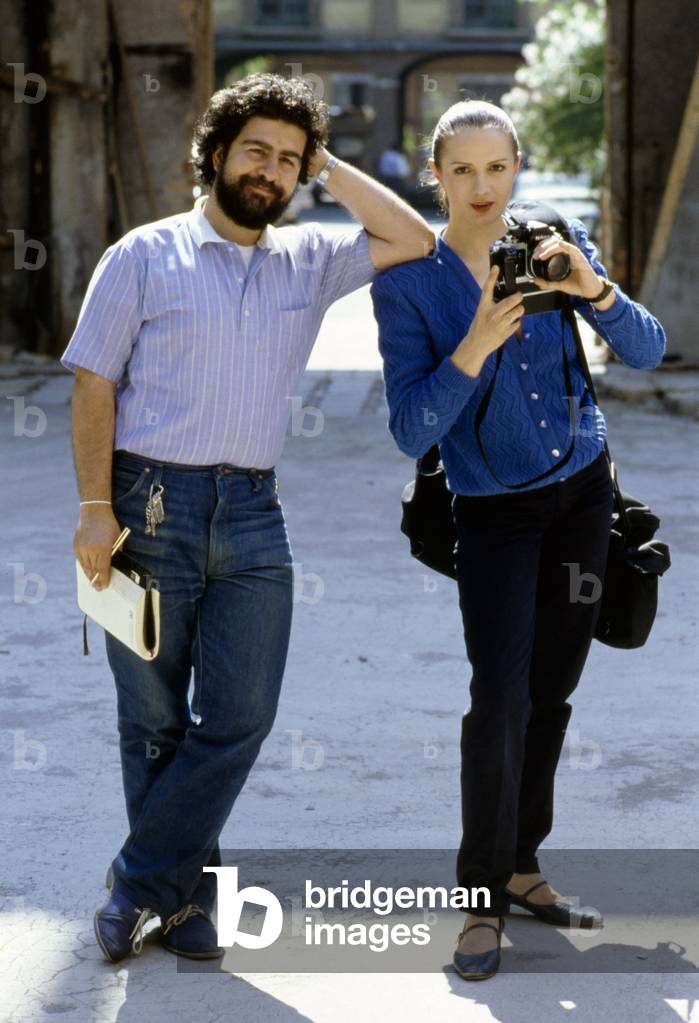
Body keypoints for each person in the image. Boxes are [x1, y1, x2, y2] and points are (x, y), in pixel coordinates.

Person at [62, 72, 435, 965]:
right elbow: (92, 383)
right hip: (147, 505)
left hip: (255, 516)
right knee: (152, 720)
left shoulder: (309, 260)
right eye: (255, 150)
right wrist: (92, 507)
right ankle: (188, 904)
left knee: (240, 716)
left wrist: (329, 163)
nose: (269, 171)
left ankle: (138, 882)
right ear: (217, 153)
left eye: (288, 159)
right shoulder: (143, 254)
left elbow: (414, 235)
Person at [370, 100, 666, 981]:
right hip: (491, 511)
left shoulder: (552, 240)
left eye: (495, 168)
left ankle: (523, 864)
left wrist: (592, 289)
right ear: (435, 177)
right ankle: (478, 902)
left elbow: (647, 352)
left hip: (581, 498)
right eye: (460, 171)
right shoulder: (408, 283)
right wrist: (472, 347)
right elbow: (406, 426)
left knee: (551, 691)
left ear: (516, 167)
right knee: (495, 698)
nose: (480, 188)